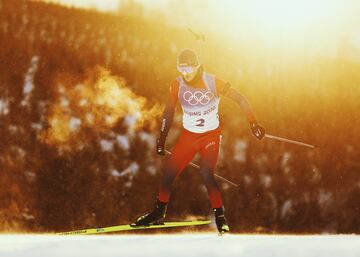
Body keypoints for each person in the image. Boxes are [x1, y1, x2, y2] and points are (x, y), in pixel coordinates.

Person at [131, 48, 265, 234]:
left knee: (206, 174)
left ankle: (220, 218)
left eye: (188, 69)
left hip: (210, 136)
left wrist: (253, 124)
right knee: (168, 173)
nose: (184, 73)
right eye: (180, 69)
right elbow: (168, 112)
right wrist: (162, 138)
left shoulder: (212, 81)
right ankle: (158, 213)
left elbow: (241, 99)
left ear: (196, 66)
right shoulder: (177, 84)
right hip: (189, 136)